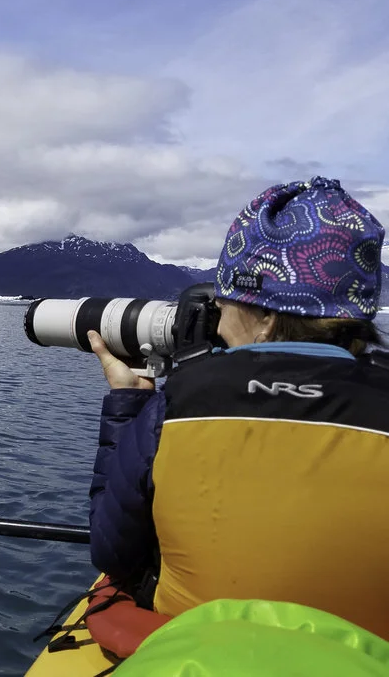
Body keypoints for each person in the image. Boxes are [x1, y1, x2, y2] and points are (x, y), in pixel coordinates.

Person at [85, 176, 389, 640]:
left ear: (266, 318)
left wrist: (131, 402)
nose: (218, 322)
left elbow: (112, 552)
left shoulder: (177, 408)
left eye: (225, 303)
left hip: (196, 652)